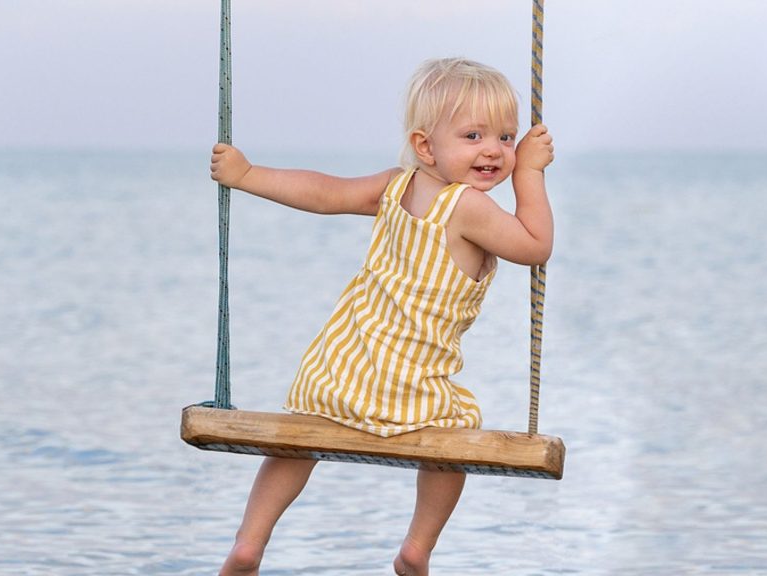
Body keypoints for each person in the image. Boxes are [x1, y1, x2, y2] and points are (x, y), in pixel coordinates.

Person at [209, 57, 554, 576]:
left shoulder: (397, 186)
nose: (494, 150)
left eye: (507, 138)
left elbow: (325, 193)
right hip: (413, 387)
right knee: (455, 437)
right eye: (474, 135)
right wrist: (529, 171)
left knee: (295, 439)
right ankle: (417, 548)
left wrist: (249, 175)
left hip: (334, 371)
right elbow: (535, 245)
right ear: (425, 146)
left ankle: (249, 543)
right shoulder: (469, 207)